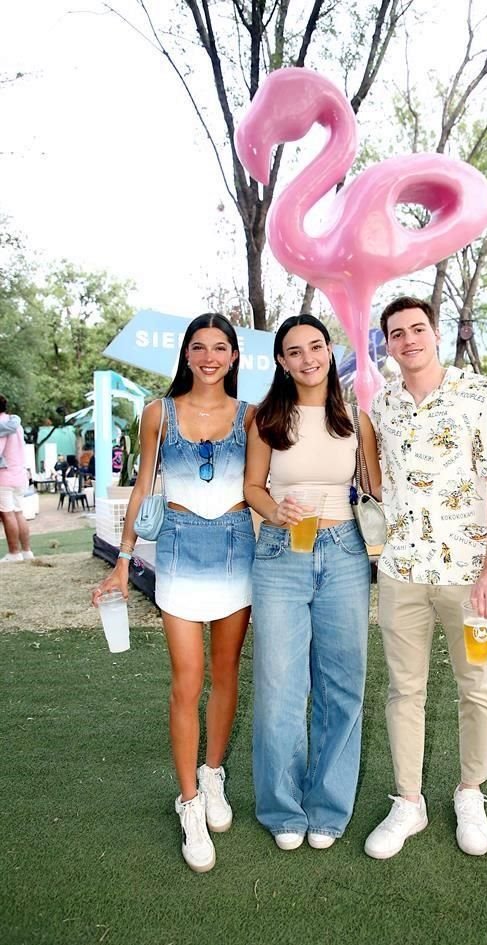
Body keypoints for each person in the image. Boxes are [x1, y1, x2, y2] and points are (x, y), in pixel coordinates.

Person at [92, 313, 256, 873]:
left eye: (220, 347)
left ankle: (213, 776)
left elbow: (262, 486)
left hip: (237, 549)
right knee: (188, 682)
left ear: (234, 357)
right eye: (199, 347)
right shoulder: (158, 413)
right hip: (180, 551)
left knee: (227, 674)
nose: (209, 356)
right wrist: (122, 559)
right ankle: (188, 801)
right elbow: (143, 486)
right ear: (185, 355)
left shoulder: (252, 417)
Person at [364, 296, 487, 861]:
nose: (408, 340)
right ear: (387, 344)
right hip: (401, 572)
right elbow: (377, 481)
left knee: (475, 685)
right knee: (404, 689)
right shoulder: (383, 404)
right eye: (396, 334)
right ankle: (409, 801)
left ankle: (470, 792)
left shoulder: (482, 395)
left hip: (469, 574)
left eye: (417, 329)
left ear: (436, 331)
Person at [244, 314, 380, 852]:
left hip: (345, 551)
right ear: (281, 361)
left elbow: (372, 487)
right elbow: (253, 486)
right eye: (294, 351)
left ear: (329, 350)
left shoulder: (356, 419)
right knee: (280, 685)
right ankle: (282, 808)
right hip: (281, 554)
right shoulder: (265, 419)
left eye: (316, 346)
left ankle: (328, 807)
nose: (308, 358)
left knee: (342, 684)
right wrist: (274, 510)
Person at [0, 395, 34, 563]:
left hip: (4, 476)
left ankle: (14, 552)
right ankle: (26, 551)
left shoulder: (1, 426)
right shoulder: (15, 424)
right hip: (19, 474)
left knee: (7, 514)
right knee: (18, 512)